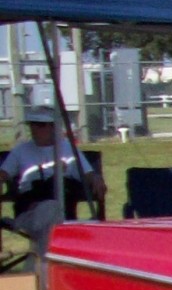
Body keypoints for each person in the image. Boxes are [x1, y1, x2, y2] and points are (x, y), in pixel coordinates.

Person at [2, 105, 105, 250]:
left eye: (41, 125)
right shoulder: (21, 150)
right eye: (32, 124)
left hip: (61, 209)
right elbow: (3, 173)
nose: (35, 129)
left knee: (52, 212)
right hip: (30, 211)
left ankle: (42, 263)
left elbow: (88, 174)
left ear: (53, 127)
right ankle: (49, 263)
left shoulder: (68, 149)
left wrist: (96, 177)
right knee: (51, 215)